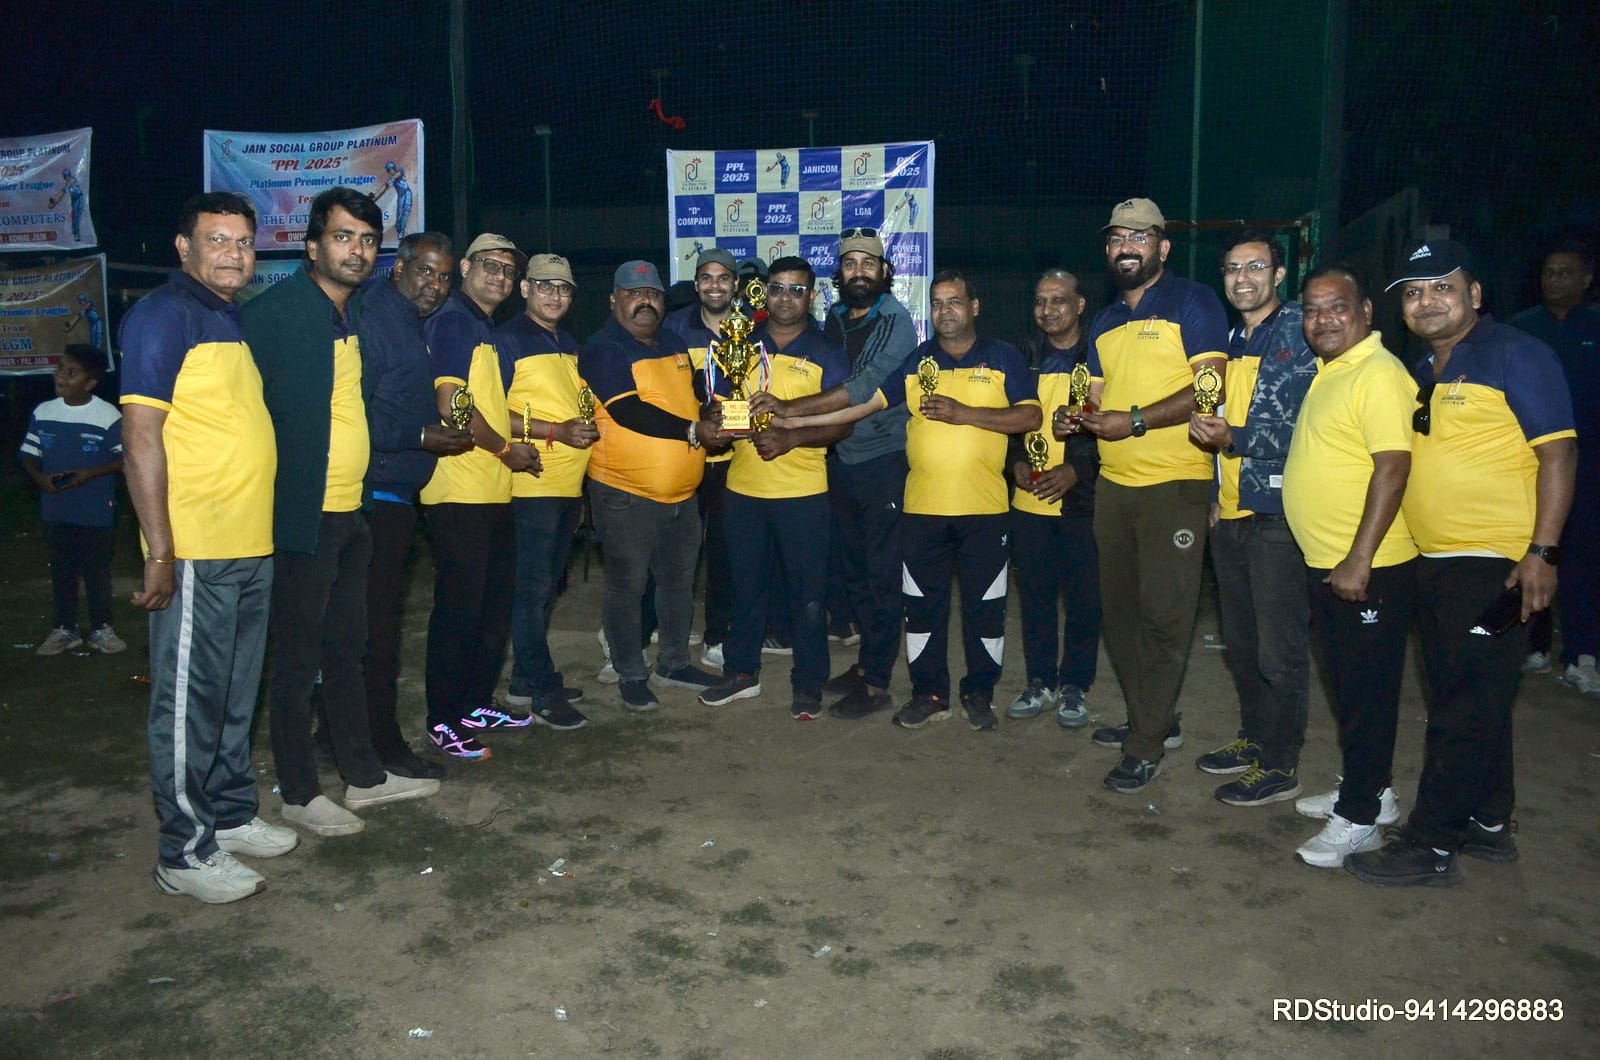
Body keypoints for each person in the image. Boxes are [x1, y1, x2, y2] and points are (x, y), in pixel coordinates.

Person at [1346, 241, 1575, 886]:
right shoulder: (1423, 368)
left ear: (1474, 294)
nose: (1426, 302)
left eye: (1441, 287)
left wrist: (1543, 553)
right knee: (1475, 696)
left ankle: (1430, 845)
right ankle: (1488, 821)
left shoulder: (1517, 354)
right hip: (1437, 562)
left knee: (1460, 709)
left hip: (1494, 562)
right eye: (1413, 292)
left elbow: (1558, 454)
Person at [243, 187, 441, 838]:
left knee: (349, 651)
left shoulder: (353, 313)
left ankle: (364, 777)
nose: (356, 250)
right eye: (342, 236)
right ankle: (300, 793)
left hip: (353, 509)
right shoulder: (275, 315)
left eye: (366, 239)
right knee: (298, 662)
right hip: (303, 517)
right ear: (311, 246)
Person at [120, 191, 296, 903]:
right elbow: (140, 436)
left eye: (244, 242)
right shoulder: (163, 314)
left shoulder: (231, 318)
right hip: (195, 548)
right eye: (217, 239)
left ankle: (227, 814)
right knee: (188, 703)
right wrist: (161, 551)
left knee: (232, 695)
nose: (234, 253)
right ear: (184, 247)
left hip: (250, 543)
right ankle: (184, 853)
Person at [772, 270, 1041, 731]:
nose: (944, 311)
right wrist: (792, 421)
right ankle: (928, 693)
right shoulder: (920, 360)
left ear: (974, 307)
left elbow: (1030, 416)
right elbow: (867, 403)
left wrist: (963, 413)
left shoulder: (1002, 356)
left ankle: (979, 693)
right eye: (937, 303)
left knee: (985, 609)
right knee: (921, 610)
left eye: (954, 302)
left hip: (985, 509)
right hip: (921, 511)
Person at [1068, 198, 1228, 793]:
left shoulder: (1194, 301)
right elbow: (1092, 396)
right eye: (1116, 238)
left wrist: (1133, 421)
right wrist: (1074, 417)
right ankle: (1152, 717)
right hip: (1114, 487)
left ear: (1162, 246)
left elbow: (1211, 388)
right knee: (1121, 618)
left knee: (1164, 618)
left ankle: (1145, 743)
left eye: (1139, 237)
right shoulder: (1105, 320)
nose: (1125, 247)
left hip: (1174, 483)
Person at [1281, 264, 1418, 868]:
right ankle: (1375, 793)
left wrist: (1360, 558)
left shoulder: (1378, 373)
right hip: (1330, 564)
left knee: (1367, 695)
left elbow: (1394, 467)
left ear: (1365, 311)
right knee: (1348, 686)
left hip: (1370, 566)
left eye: (1336, 306)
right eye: (1312, 309)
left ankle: (1360, 818)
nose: (1322, 319)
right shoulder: (1332, 371)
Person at [749, 229, 917, 720]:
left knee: (882, 576)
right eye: (850, 264)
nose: (859, 272)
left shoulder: (896, 322)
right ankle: (865, 665)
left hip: (882, 460)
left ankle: (878, 682)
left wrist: (788, 414)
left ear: (885, 271)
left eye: (869, 263)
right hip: (840, 460)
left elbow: (861, 389)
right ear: (838, 274)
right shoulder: (837, 317)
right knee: (853, 574)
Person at [1188, 231, 1318, 806]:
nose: (1243, 279)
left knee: (1278, 650)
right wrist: (1217, 491)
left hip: (1278, 512)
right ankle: (1255, 739)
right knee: (1241, 645)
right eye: (1233, 269)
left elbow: (1308, 424)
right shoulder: (1229, 338)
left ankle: (1281, 764)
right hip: (1232, 509)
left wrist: (1234, 438)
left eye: (1256, 267)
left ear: (1280, 274)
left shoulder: (1300, 331)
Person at [696, 256, 852, 718]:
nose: (786, 298)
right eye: (778, 288)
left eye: (796, 289)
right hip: (743, 490)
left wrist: (791, 438)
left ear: (812, 295)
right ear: (764, 293)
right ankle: (741, 673)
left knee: (807, 596)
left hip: (802, 493)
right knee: (744, 590)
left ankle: (808, 683)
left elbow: (843, 423)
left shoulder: (826, 350)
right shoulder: (742, 341)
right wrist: (715, 417)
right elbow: (716, 404)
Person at [356, 231, 474, 780]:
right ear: (398, 268)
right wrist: (422, 436)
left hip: (396, 496)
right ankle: (382, 748)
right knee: (377, 635)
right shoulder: (376, 317)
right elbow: (354, 412)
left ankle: (338, 735)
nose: (435, 284)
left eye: (444, 276)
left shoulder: (409, 322)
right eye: (425, 271)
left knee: (366, 630)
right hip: (372, 497)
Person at [419, 234, 541, 759]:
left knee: (491, 609)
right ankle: (442, 719)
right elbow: (452, 405)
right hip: (457, 490)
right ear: (465, 266)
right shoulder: (453, 321)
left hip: (489, 491)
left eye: (508, 271)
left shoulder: (481, 327)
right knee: (459, 611)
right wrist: (506, 450)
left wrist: (535, 435)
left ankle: (472, 704)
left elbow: (484, 406)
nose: (499, 277)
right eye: (489, 265)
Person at [579, 260, 722, 710]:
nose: (646, 302)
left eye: (654, 294)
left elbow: (696, 395)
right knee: (628, 586)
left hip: (683, 495)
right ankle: (630, 671)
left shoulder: (673, 342)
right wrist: (695, 431)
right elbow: (628, 411)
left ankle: (674, 663)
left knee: (678, 583)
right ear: (614, 300)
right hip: (626, 494)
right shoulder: (603, 348)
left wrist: (716, 411)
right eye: (634, 293)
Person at [501, 253, 599, 728]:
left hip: (565, 488)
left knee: (545, 588)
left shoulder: (569, 343)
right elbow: (486, 413)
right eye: (545, 286)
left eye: (563, 288)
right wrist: (555, 431)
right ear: (524, 289)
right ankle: (542, 689)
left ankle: (523, 681)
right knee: (531, 590)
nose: (555, 296)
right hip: (529, 486)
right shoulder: (507, 340)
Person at [1006, 270, 1100, 728]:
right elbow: (1010, 420)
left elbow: (1113, 426)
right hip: (1030, 502)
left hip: (1083, 501)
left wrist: (1077, 470)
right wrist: (1015, 463)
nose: (1048, 310)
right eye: (1041, 301)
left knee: (1084, 600)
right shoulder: (1023, 356)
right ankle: (1039, 681)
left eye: (1059, 300)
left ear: (1080, 305)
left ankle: (1075, 686)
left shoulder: (1100, 354)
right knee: (1036, 599)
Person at [1509, 241, 1600, 695]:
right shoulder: (1522, 330)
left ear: (1586, 279)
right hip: (1535, 464)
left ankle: (1584, 654)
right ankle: (1533, 644)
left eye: (1565, 272)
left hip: (1591, 466)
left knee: (1584, 558)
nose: (1555, 280)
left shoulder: (1595, 325)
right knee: (1535, 549)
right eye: (1548, 272)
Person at [21, 343, 125, 656]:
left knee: (96, 572)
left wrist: (90, 473)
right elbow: (29, 454)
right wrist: (40, 478)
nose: (61, 377)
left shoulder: (107, 415)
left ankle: (100, 628)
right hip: (56, 509)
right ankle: (64, 629)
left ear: (90, 382)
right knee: (62, 571)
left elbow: (125, 458)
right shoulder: (44, 411)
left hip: (95, 511)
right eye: (60, 369)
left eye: (72, 372)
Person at [663, 248, 740, 669]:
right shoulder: (672, 327)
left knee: (725, 554)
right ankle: (660, 630)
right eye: (706, 278)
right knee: (675, 554)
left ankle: (718, 635)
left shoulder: (749, 330)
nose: (715, 286)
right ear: (696, 285)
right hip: (684, 453)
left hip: (733, 459)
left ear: (735, 285)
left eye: (723, 278)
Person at [372, 162, 413, 237]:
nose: (390, 172)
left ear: (393, 168)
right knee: (399, 215)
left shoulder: (400, 170)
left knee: (406, 212)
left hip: (407, 193)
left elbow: (398, 175)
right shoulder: (391, 180)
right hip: (401, 197)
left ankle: (401, 231)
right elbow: (383, 189)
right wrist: (373, 198)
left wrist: (392, 179)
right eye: (388, 171)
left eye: (390, 170)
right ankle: (399, 230)